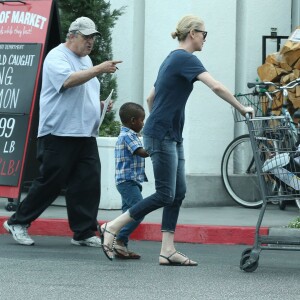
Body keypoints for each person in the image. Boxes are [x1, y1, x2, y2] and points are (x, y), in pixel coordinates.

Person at [99, 15, 254, 265]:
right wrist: (241, 107)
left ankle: (167, 249)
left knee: (178, 192)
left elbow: (151, 98)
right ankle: (112, 226)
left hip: (169, 134)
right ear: (192, 33)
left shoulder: (171, 58)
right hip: (162, 135)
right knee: (164, 194)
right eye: (204, 33)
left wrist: (161, 119)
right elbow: (215, 86)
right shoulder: (186, 58)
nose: (205, 38)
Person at [3, 16, 122, 247]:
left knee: (87, 182)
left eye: (93, 37)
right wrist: (99, 69)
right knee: (51, 182)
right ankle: (17, 222)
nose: (90, 42)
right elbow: (67, 82)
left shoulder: (86, 60)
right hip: (58, 132)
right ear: (71, 36)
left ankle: (83, 232)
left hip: (84, 133)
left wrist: (99, 105)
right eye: (86, 37)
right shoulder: (57, 56)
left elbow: (81, 92)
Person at [113, 102, 149, 259]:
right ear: (133, 120)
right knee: (138, 211)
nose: (143, 123)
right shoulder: (128, 136)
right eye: (142, 120)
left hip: (129, 181)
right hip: (127, 181)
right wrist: (156, 148)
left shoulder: (129, 135)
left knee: (126, 214)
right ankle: (119, 239)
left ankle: (121, 246)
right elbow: (142, 153)